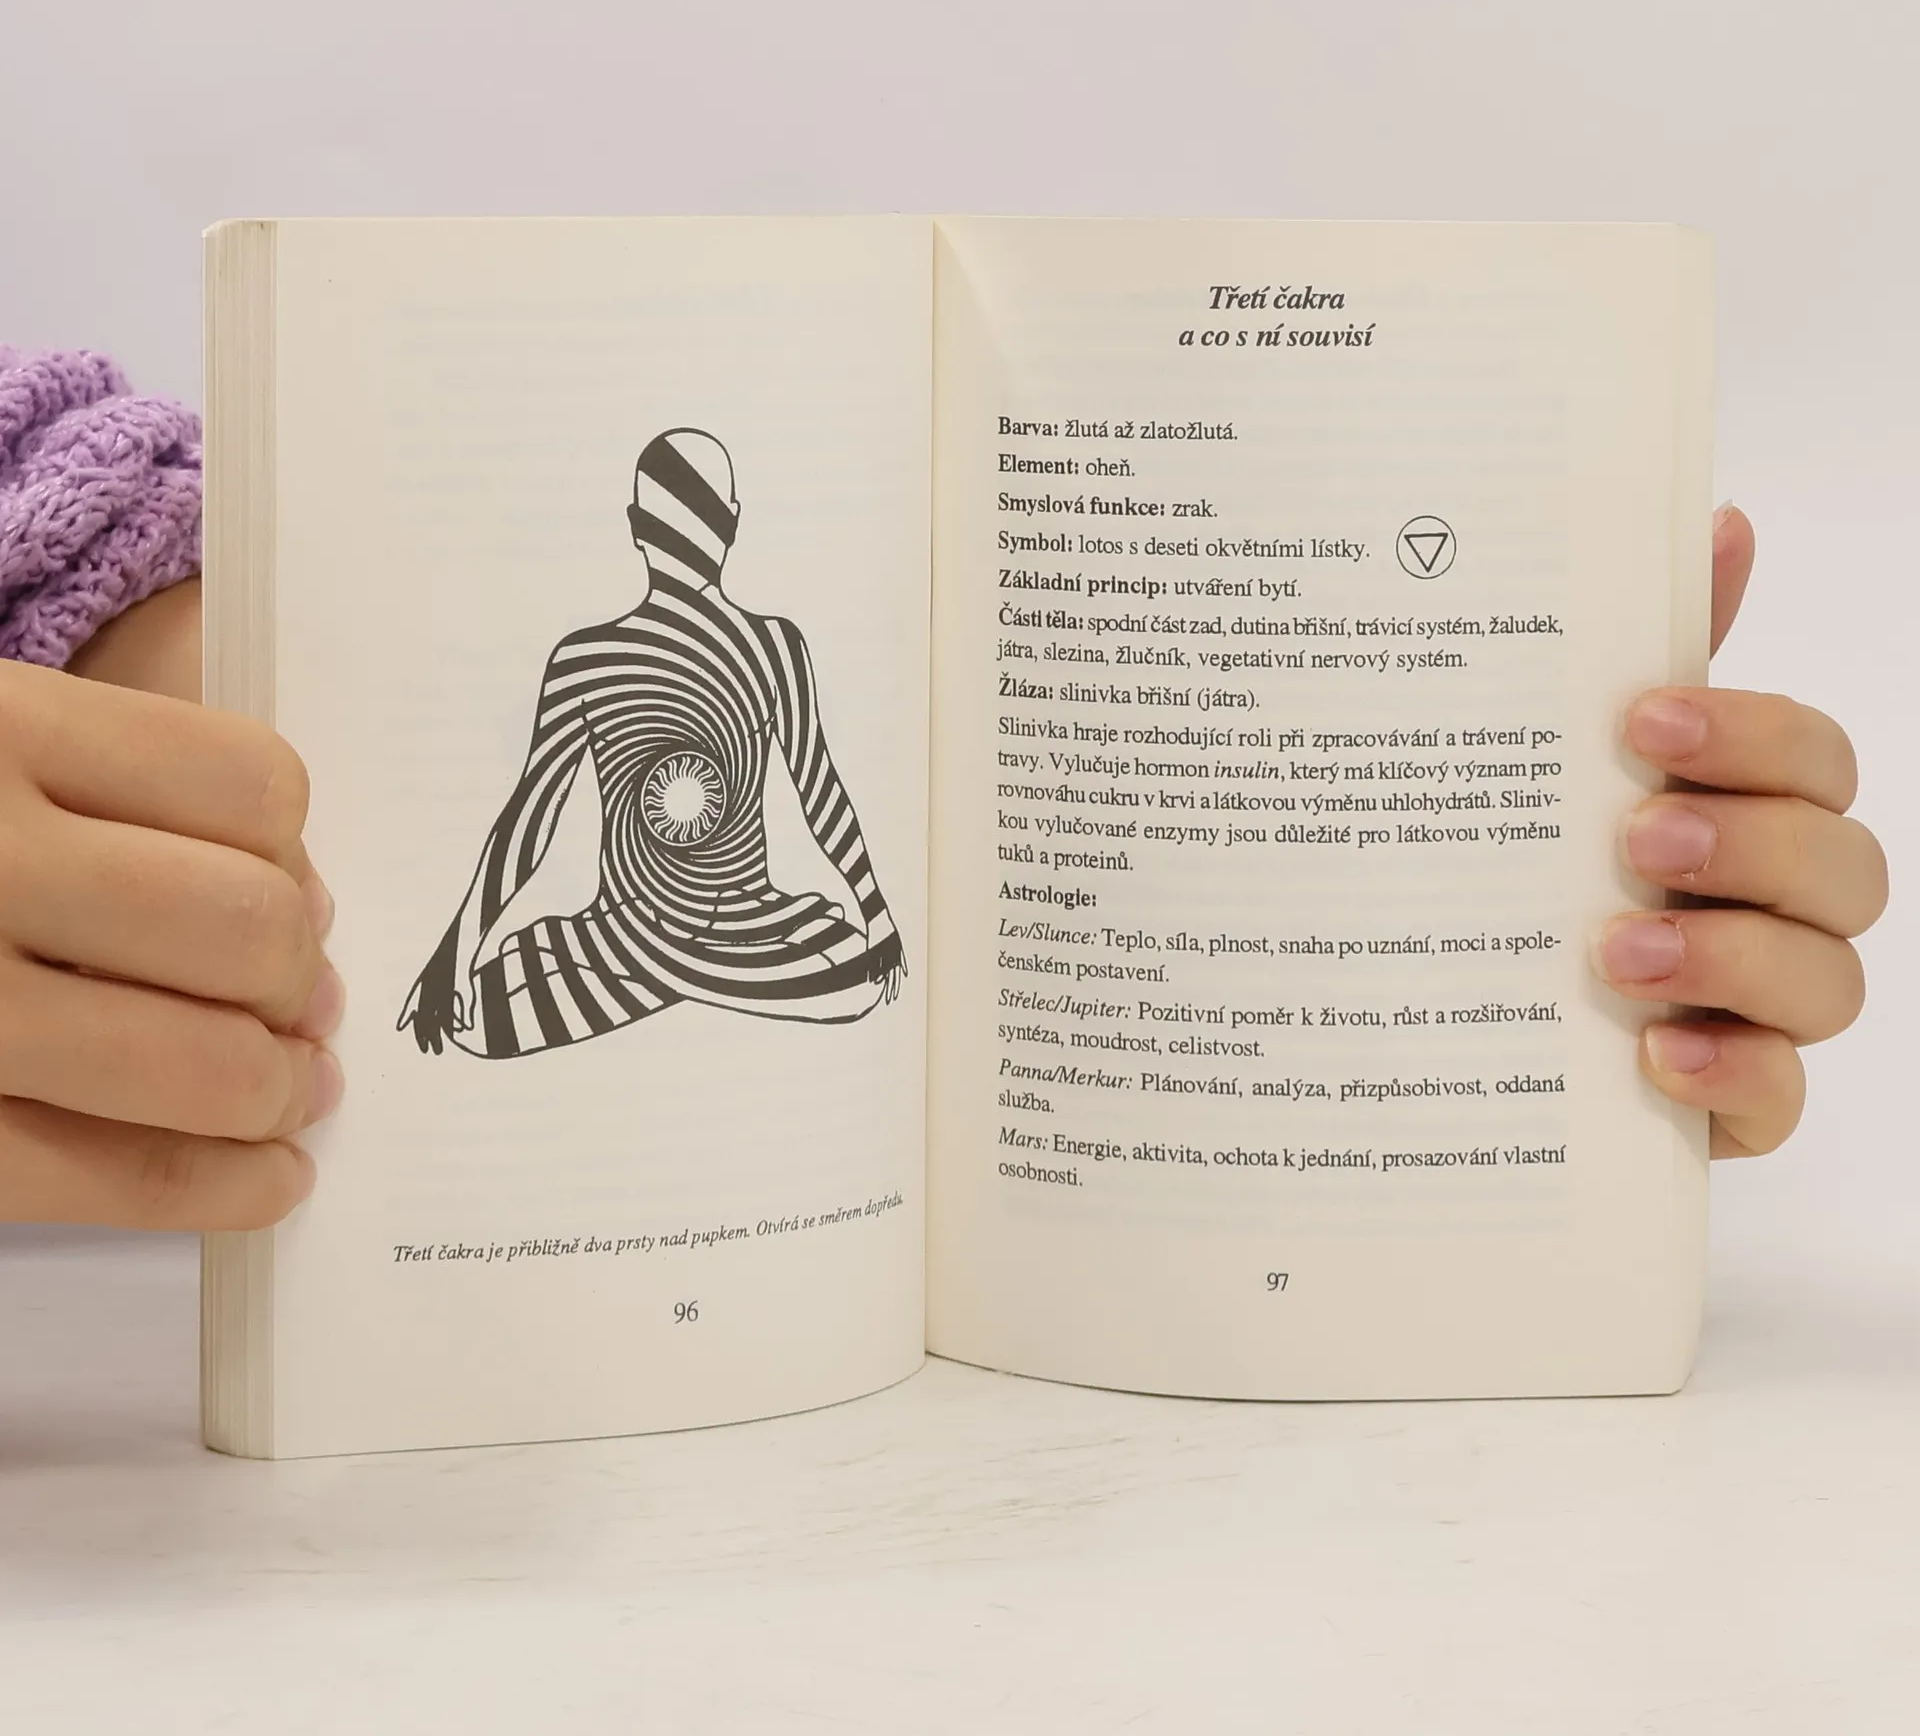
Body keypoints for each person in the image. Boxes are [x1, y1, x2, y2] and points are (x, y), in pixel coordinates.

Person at [0, 346, 1889, 1229]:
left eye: (692, 521)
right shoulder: (597, 659)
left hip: (739, 927)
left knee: (860, 1017)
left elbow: (816, 805)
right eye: (670, 521)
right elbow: (529, 827)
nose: (679, 546)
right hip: (637, 936)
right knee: (568, 1012)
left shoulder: (759, 645)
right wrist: (449, 952)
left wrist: (1409, 855)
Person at [396, 427, 905, 1059]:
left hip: (673, 934)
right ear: (733, 523)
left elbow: (529, 819)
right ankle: (700, 977)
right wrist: (876, 915)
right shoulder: (763, 647)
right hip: (649, 931)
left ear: (636, 527)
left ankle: (668, 975)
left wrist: (458, 950)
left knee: (476, 1017)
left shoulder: (592, 658)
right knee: (857, 973)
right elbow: (820, 791)